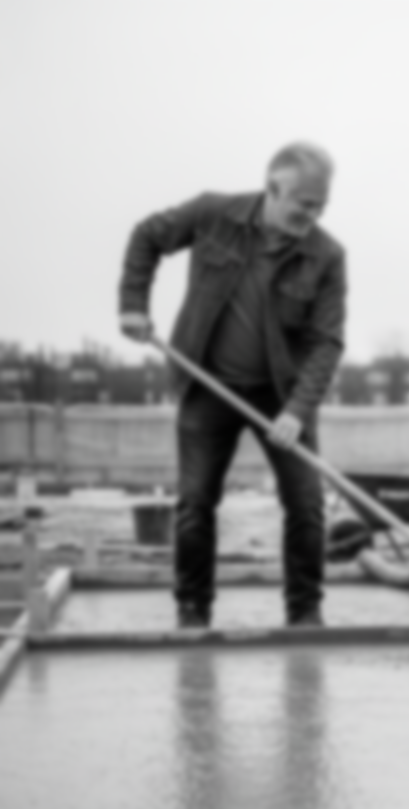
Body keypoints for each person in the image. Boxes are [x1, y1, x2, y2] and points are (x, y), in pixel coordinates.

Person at [118, 142, 345, 629]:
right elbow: (146, 237)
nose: (314, 213)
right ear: (273, 188)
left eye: (322, 205)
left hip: (281, 397)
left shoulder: (326, 255)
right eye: (304, 203)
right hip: (207, 386)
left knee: (306, 504)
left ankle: (305, 613)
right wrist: (133, 303)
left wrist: (297, 411)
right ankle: (193, 611)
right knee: (196, 504)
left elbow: (326, 342)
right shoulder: (212, 214)